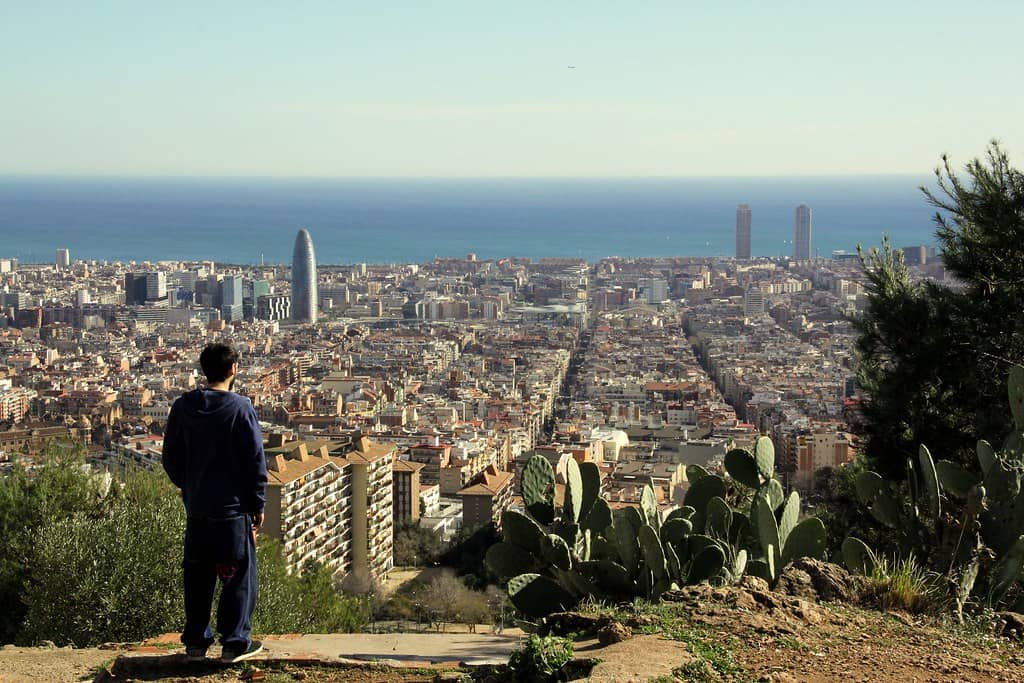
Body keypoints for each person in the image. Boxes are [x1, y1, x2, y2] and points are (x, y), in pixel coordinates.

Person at [162, 342, 267, 664]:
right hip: (231, 511)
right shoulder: (240, 408)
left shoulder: (183, 407)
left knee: (197, 577)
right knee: (237, 577)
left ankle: (196, 643)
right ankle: (234, 643)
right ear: (233, 369)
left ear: (203, 369)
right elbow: (254, 461)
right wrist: (257, 504)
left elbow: (170, 457)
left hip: (197, 509)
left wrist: (189, 485)